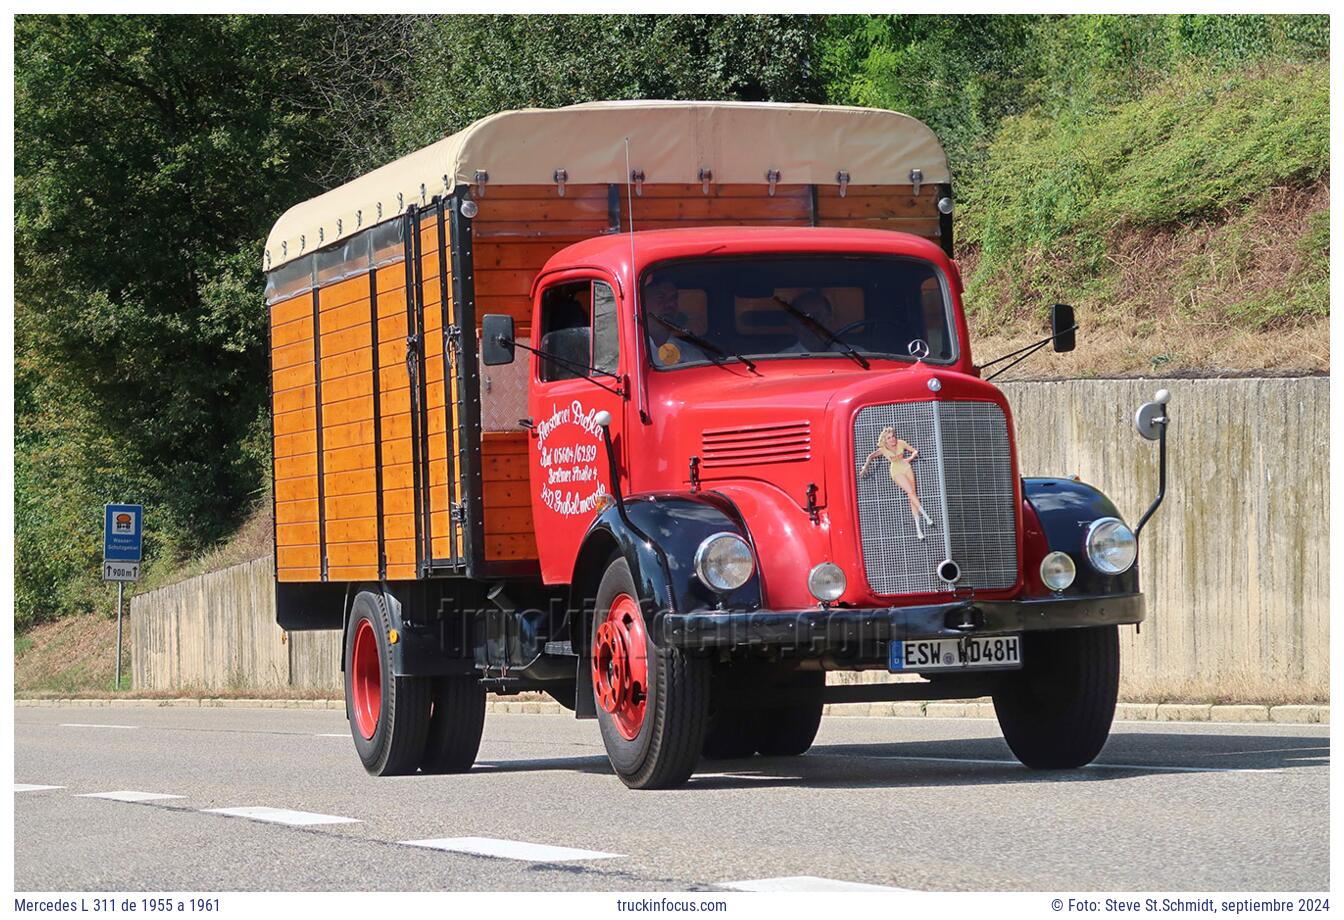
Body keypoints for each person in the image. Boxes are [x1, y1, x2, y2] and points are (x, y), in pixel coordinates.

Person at [859, 426, 934, 540]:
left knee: (912, 495)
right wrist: (865, 467)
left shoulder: (901, 443)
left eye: (893, 436)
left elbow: (914, 451)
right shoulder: (883, 449)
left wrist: (910, 458)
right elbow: (871, 456)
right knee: (910, 492)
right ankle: (926, 516)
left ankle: (918, 529)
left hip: (906, 468)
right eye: (889, 438)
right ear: (885, 440)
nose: (892, 439)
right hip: (896, 472)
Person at [644, 278, 707, 366]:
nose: (671, 304)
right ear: (643, 301)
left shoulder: (691, 353)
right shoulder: (634, 350)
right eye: (661, 297)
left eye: (673, 298)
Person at [782, 289, 837, 354]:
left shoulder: (851, 356)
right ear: (793, 324)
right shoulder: (779, 361)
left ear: (830, 320)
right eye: (804, 318)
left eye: (818, 316)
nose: (812, 325)